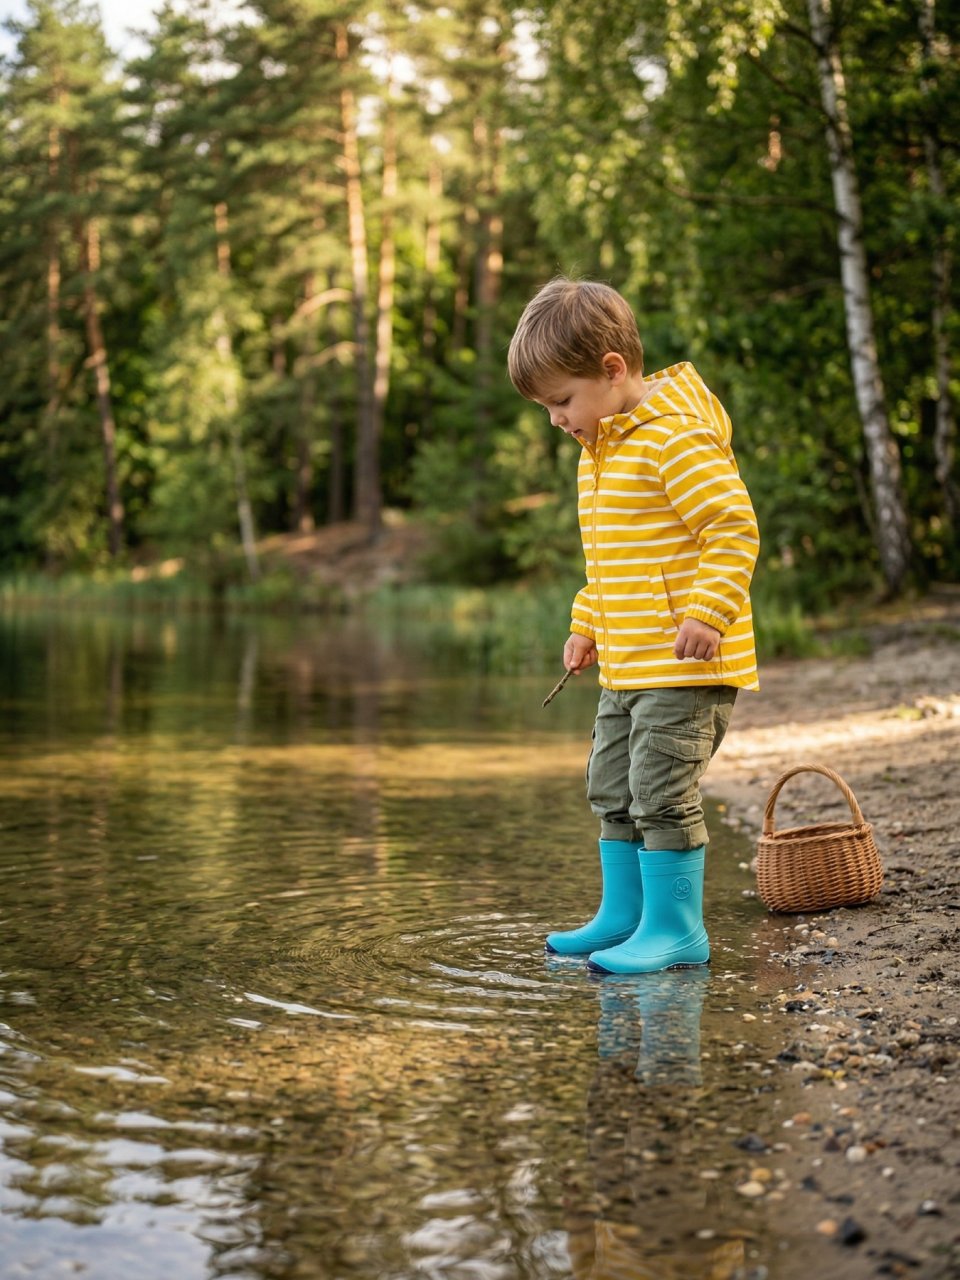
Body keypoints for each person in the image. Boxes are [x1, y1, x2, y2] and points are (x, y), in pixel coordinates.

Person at [507, 276, 759, 974]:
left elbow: (733, 529)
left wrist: (709, 611)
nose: (556, 419)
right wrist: (586, 624)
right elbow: (614, 560)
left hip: (683, 664)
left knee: (661, 791)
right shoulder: (601, 455)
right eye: (546, 407)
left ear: (613, 371)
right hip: (627, 665)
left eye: (562, 400)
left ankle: (677, 931)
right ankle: (624, 916)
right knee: (612, 784)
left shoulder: (673, 440)